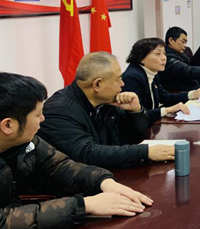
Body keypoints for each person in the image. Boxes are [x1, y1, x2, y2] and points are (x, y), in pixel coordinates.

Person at [0, 72, 152, 229]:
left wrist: (103, 181)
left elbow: (59, 166)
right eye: (37, 115)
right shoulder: (61, 110)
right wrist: (82, 205)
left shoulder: (26, 141)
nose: (43, 119)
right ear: (8, 125)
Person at [39, 52, 175, 168]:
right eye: (118, 79)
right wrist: (145, 153)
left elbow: (135, 136)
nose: (123, 84)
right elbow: (86, 153)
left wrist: (135, 111)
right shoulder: (59, 111)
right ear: (97, 84)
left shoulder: (106, 102)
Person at [122, 38, 200, 127]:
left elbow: (166, 97)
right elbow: (136, 116)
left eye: (164, 53)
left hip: (151, 125)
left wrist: (193, 94)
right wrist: (168, 110)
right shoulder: (132, 77)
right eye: (158, 54)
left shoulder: (152, 73)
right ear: (141, 58)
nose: (164, 58)